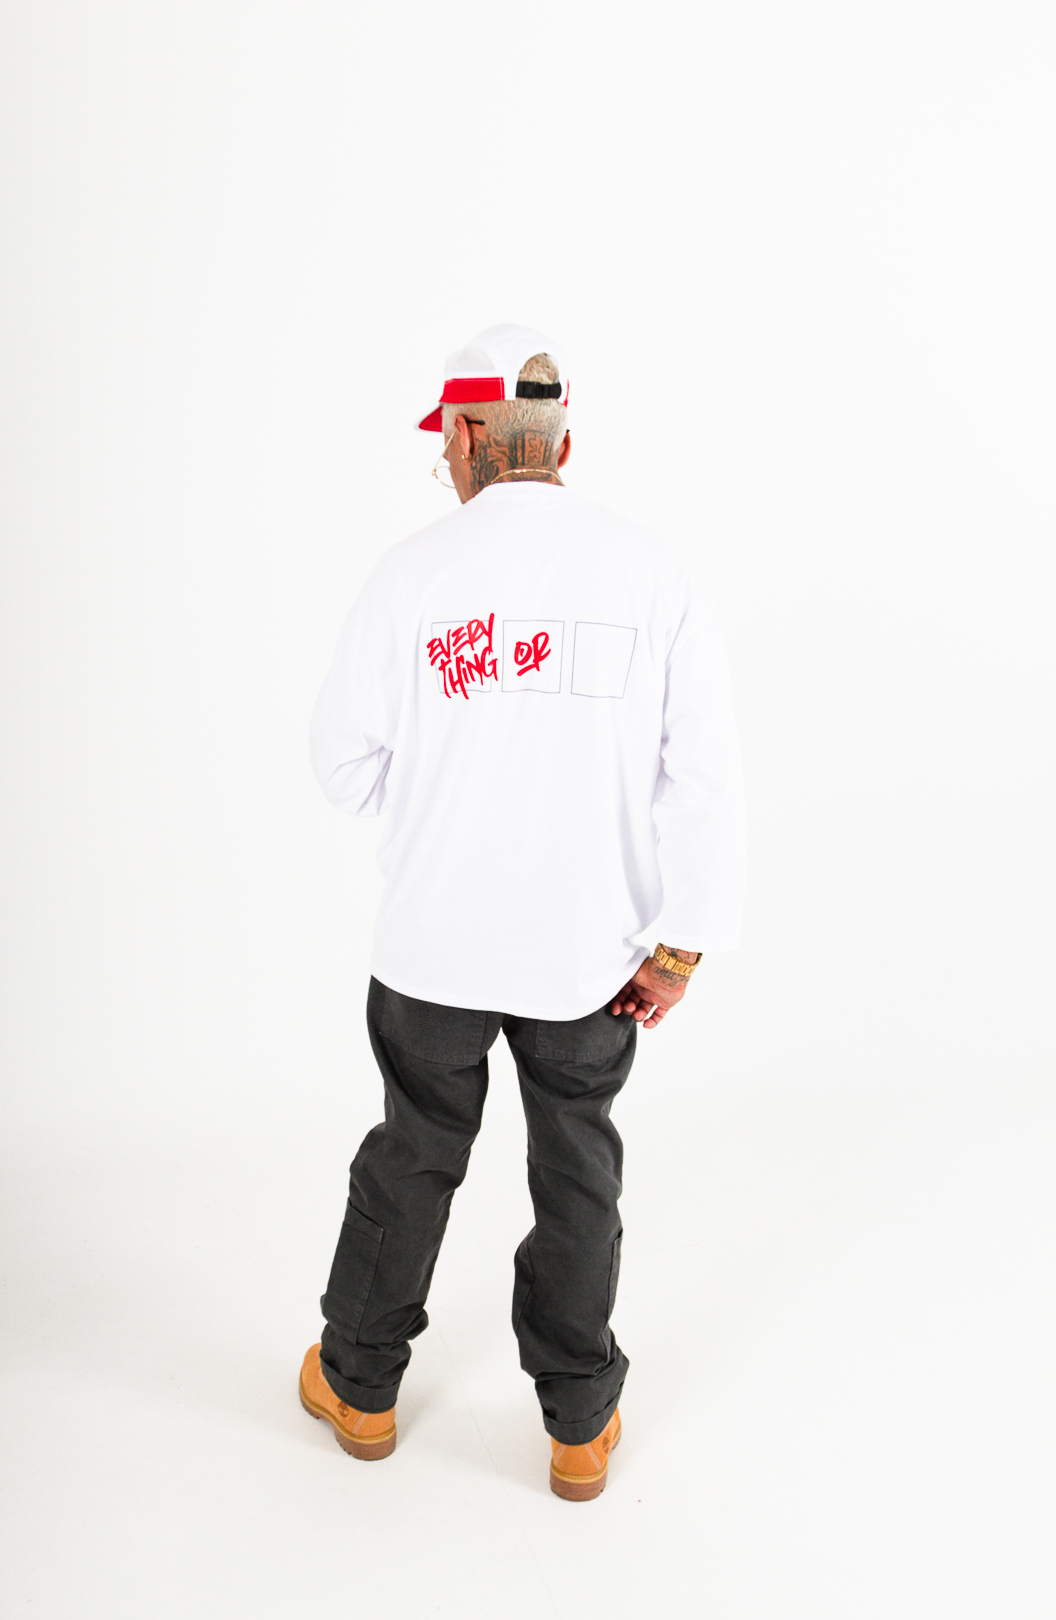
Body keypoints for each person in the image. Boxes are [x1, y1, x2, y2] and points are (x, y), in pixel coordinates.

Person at [298, 323, 746, 1501]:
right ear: (563, 443)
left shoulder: (411, 573)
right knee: (577, 1171)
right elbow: (703, 780)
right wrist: (681, 948)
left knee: (413, 1155)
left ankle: (359, 1388)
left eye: (444, 440)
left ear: (470, 434)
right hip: (590, 956)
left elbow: (340, 765)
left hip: (434, 947)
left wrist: (440, 795)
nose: (442, 460)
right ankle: (578, 1426)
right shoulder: (654, 573)